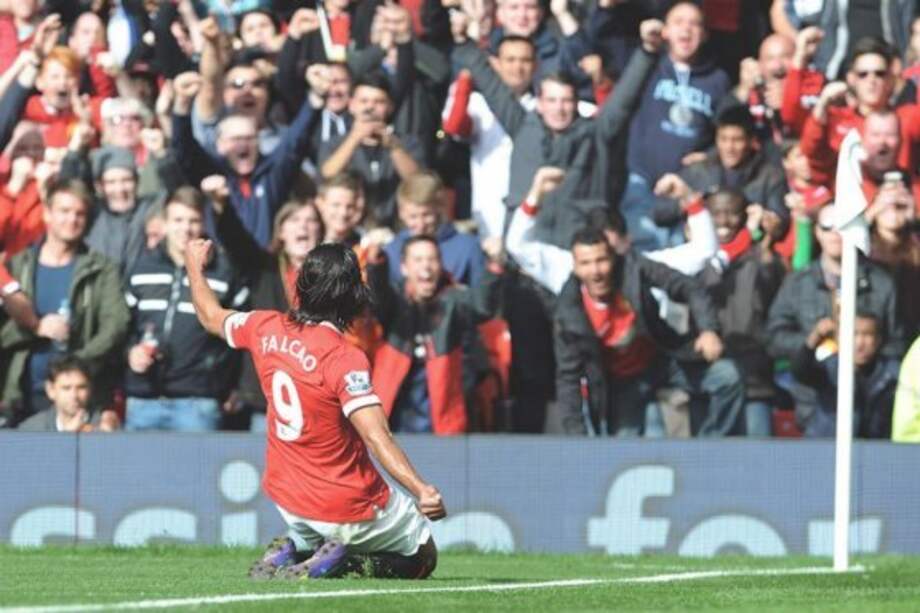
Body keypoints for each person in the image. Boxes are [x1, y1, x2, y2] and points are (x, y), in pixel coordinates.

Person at [185, 238, 445, 579]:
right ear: (354, 296)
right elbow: (377, 436)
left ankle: (295, 547)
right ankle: (338, 562)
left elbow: (209, 316)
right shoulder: (344, 358)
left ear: (300, 286)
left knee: (321, 526)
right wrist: (420, 488)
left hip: (287, 498)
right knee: (423, 557)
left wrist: (193, 265)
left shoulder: (264, 327)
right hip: (343, 502)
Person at [551, 221, 743, 437]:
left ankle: (710, 448)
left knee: (727, 376)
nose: (596, 271)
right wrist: (576, 438)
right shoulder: (568, 314)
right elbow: (568, 379)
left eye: (601, 260)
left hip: (662, 360)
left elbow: (688, 286)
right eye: (586, 263)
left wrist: (708, 329)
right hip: (620, 386)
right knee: (628, 454)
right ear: (575, 267)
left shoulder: (634, 269)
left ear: (613, 258)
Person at [0, 178, 130, 425]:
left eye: (79, 213)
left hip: (78, 397)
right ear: (47, 214)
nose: (72, 220)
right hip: (22, 394)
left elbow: (115, 325)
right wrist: (35, 326)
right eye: (64, 211)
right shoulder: (18, 266)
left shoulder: (101, 269)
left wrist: (74, 366)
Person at [205, 174, 325, 432]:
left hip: (318, 399)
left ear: (320, 231)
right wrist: (221, 206)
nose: (303, 227)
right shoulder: (264, 268)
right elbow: (236, 240)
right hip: (269, 400)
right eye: (294, 220)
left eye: (311, 221)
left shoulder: (331, 277)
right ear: (281, 231)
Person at [123, 187, 248, 432]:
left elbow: (243, 336)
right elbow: (122, 327)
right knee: (135, 471)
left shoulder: (224, 273)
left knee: (196, 472)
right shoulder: (141, 268)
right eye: (178, 220)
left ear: (204, 224)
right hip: (143, 400)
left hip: (199, 402)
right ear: (164, 223)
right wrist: (130, 352)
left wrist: (234, 385)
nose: (186, 228)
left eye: (194, 220)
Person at [619, 1, 731, 252]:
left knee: (678, 259)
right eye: (679, 22)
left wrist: (710, 155)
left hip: (685, 187)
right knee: (644, 254)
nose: (686, 29)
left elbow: (728, 134)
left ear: (704, 34)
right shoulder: (649, 65)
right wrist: (647, 45)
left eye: (694, 24)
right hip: (642, 180)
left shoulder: (718, 79)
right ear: (666, 30)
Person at [367, 234, 502, 434]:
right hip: (392, 417)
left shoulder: (453, 299)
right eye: (418, 260)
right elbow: (377, 298)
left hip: (441, 419)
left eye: (432, 259)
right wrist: (376, 261)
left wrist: (495, 265)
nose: (426, 266)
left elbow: (482, 307)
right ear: (404, 267)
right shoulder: (395, 301)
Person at [697, 190, 787, 436]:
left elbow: (775, 289)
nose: (724, 221)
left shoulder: (761, 257)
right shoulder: (695, 258)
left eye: (732, 213)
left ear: (745, 217)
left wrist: (766, 242)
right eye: (716, 213)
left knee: (759, 460)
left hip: (754, 384)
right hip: (707, 382)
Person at [790, 313, 898, 438]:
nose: (859, 343)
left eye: (867, 334)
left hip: (876, 450)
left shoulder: (892, 373)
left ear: (878, 339)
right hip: (825, 447)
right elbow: (800, 371)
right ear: (840, 337)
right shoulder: (829, 367)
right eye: (854, 334)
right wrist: (815, 337)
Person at [383, 171, 485, 287]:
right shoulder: (392, 250)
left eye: (426, 215)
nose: (420, 224)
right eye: (413, 216)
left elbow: (481, 297)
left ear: (440, 209)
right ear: (401, 213)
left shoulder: (468, 247)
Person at [16, 355, 121, 432]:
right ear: (51, 390)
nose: (74, 396)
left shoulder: (104, 426)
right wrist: (67, 438)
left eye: (81, 387)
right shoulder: (32, 429)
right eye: (66, 388)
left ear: (90, 389)